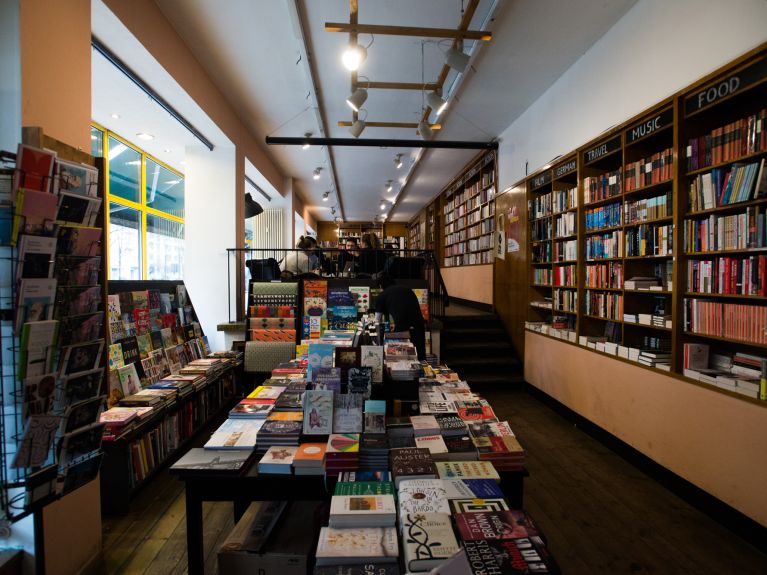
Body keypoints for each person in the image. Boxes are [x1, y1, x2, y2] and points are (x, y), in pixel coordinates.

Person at [375, 275, 427, 360]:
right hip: (418, 325)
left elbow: (377, 321)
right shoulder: (407, 289)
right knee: (420, 356)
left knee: (403, 357)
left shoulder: (383, 295)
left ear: (381, 286)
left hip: (403, 330)